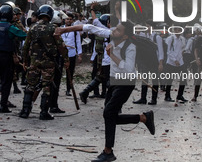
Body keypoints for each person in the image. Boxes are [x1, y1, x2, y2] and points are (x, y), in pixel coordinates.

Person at [55, 22, 155, 162]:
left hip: (126, 83)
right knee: (109, 115)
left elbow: (128, 68)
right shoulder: (112, 35)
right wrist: (64, 29)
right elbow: (90, 27)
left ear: (125, 35)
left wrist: (112, 54)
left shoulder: (130, 47)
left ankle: (108, 152)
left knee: (109, 113)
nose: (114, 30)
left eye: (118, 30)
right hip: (114, 81)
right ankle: (143, 118)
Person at [19, 5, 70, 120]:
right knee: (46, 87)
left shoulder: (32, 28)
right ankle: (43, 112)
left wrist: (25, 61)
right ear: (50, 16)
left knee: (30, 86)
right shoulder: (53, 29)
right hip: (48, 63)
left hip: (34, 62)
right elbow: (61, 47)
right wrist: (66, 60)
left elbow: (26, 47)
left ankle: (25, 111)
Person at [61, 12, 82, 96]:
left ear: (72, 20)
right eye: (67, 19)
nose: (68, 21)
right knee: (58, 71)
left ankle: (68, 89)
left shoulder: (75, 30)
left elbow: (78, 42)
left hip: (71, 53)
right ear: (64, 20)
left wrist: (80, 54)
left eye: (70, 19)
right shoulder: (60, 28)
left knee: (70, 72)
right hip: (61, 53)